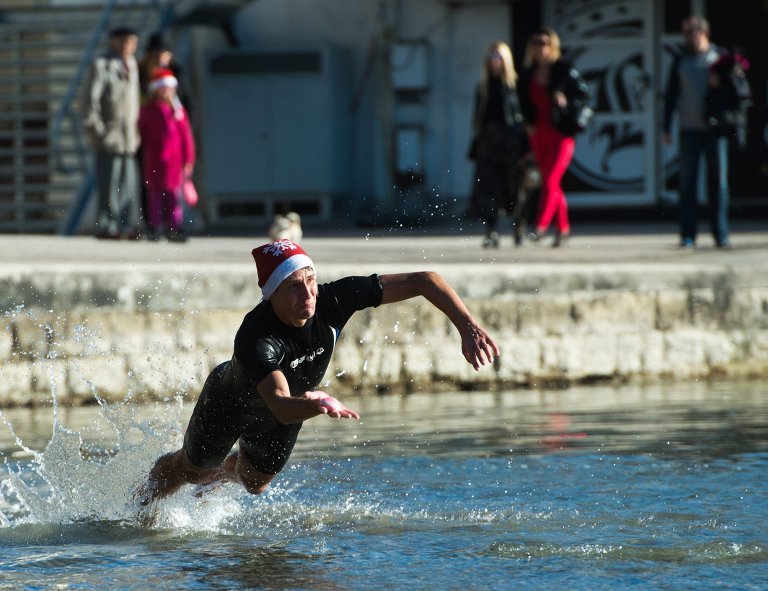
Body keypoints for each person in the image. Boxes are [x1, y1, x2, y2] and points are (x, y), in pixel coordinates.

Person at [140, 240, 500, 504]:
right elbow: (281, 403)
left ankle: (220, 472)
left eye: (310, 281)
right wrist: (318, 403)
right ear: (271, 295)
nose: (308, 294)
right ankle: (142, 503)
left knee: (255, 483)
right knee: (190, 470)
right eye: (294, 287)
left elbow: (424, 280)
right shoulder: (256, 336)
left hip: (287, 409)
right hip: (230, 403)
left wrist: (467, 326)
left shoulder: (332, 300)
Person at [663, 15, 732, 250]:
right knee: (687, 185)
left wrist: (720, 83)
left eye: (692, 32)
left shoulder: (719, 58)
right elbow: (671, 93)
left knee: (718, 184)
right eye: (686, 33)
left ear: (704, 33)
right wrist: (665, 125)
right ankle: (688, 235)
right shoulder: (680, 59)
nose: (688, 38)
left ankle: (721, 235)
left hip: (714, 130)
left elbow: (736, 93)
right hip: (688, 129)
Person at [518, 26, 590, 248]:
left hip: (561, 133)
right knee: (553, 184)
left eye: (544, 43)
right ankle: (564, 229)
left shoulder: (564, 70)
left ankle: (540, 226)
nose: (540, 48)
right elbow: (522, 103)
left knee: (549, 180)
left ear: (553, 46)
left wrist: (566, 100)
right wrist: (527, 124)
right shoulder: (528, 73)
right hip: (538, 133)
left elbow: (584, 94)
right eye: (536, 43)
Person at [82, 27, 141, 240]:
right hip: (109, 137)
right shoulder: (102, 65)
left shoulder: (132, 65)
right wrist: (100, 132)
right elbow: (90, 104)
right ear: (114, 42)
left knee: (128, 184)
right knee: (109, 183)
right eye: (123, 42)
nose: (128, 47)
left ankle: (124, 225)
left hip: (129, 137)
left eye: (132, 42)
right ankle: (107, 225)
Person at [467, 41, 527, 248]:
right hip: (488, 142)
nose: (495, 61)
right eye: (492, 57)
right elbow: (477, 120)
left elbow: (521, 118)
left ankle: (519, 228)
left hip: (510, 141)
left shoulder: (514, 86)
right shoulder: (483, 87)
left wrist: (524, 146)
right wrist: (476, 143)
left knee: (515, 187)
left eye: (498, 57)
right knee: (488, 187)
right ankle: (491, 231)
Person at [138, 68, 196, 242]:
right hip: (155, 160)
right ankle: (155, 226)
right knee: (155, 195)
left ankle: (174, 226)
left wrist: (189, 159)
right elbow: (142, 133)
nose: (167, 93)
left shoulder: (178, 113)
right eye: (164, 89)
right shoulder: (149, 111)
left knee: (173, 196)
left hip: (174, 162)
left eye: (170, 89)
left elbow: (186, 137)